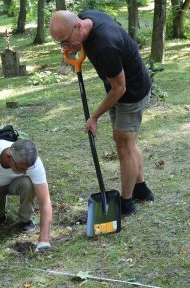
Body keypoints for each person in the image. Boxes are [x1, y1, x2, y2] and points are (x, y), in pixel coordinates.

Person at [49, 10, 154, 216]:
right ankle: (141, 188)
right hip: (118, 88)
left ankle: (127, 202)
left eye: (66, 41)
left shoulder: (105, 45)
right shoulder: (87, 16)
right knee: (126, 142)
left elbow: (120, 88)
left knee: (124, 145)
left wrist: (94, 117)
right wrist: (75, 46)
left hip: (130, 92)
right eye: (60, 43)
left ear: (78, 27)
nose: (64, 47)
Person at [0, 138, 52, 251]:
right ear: (8, 156)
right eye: (22, 168)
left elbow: (45, 201)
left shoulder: (35, 164)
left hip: (17, 183)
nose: (26, 172)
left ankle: (25, 219)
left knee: (29, 183)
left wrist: (44, 240)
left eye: (27, 168)